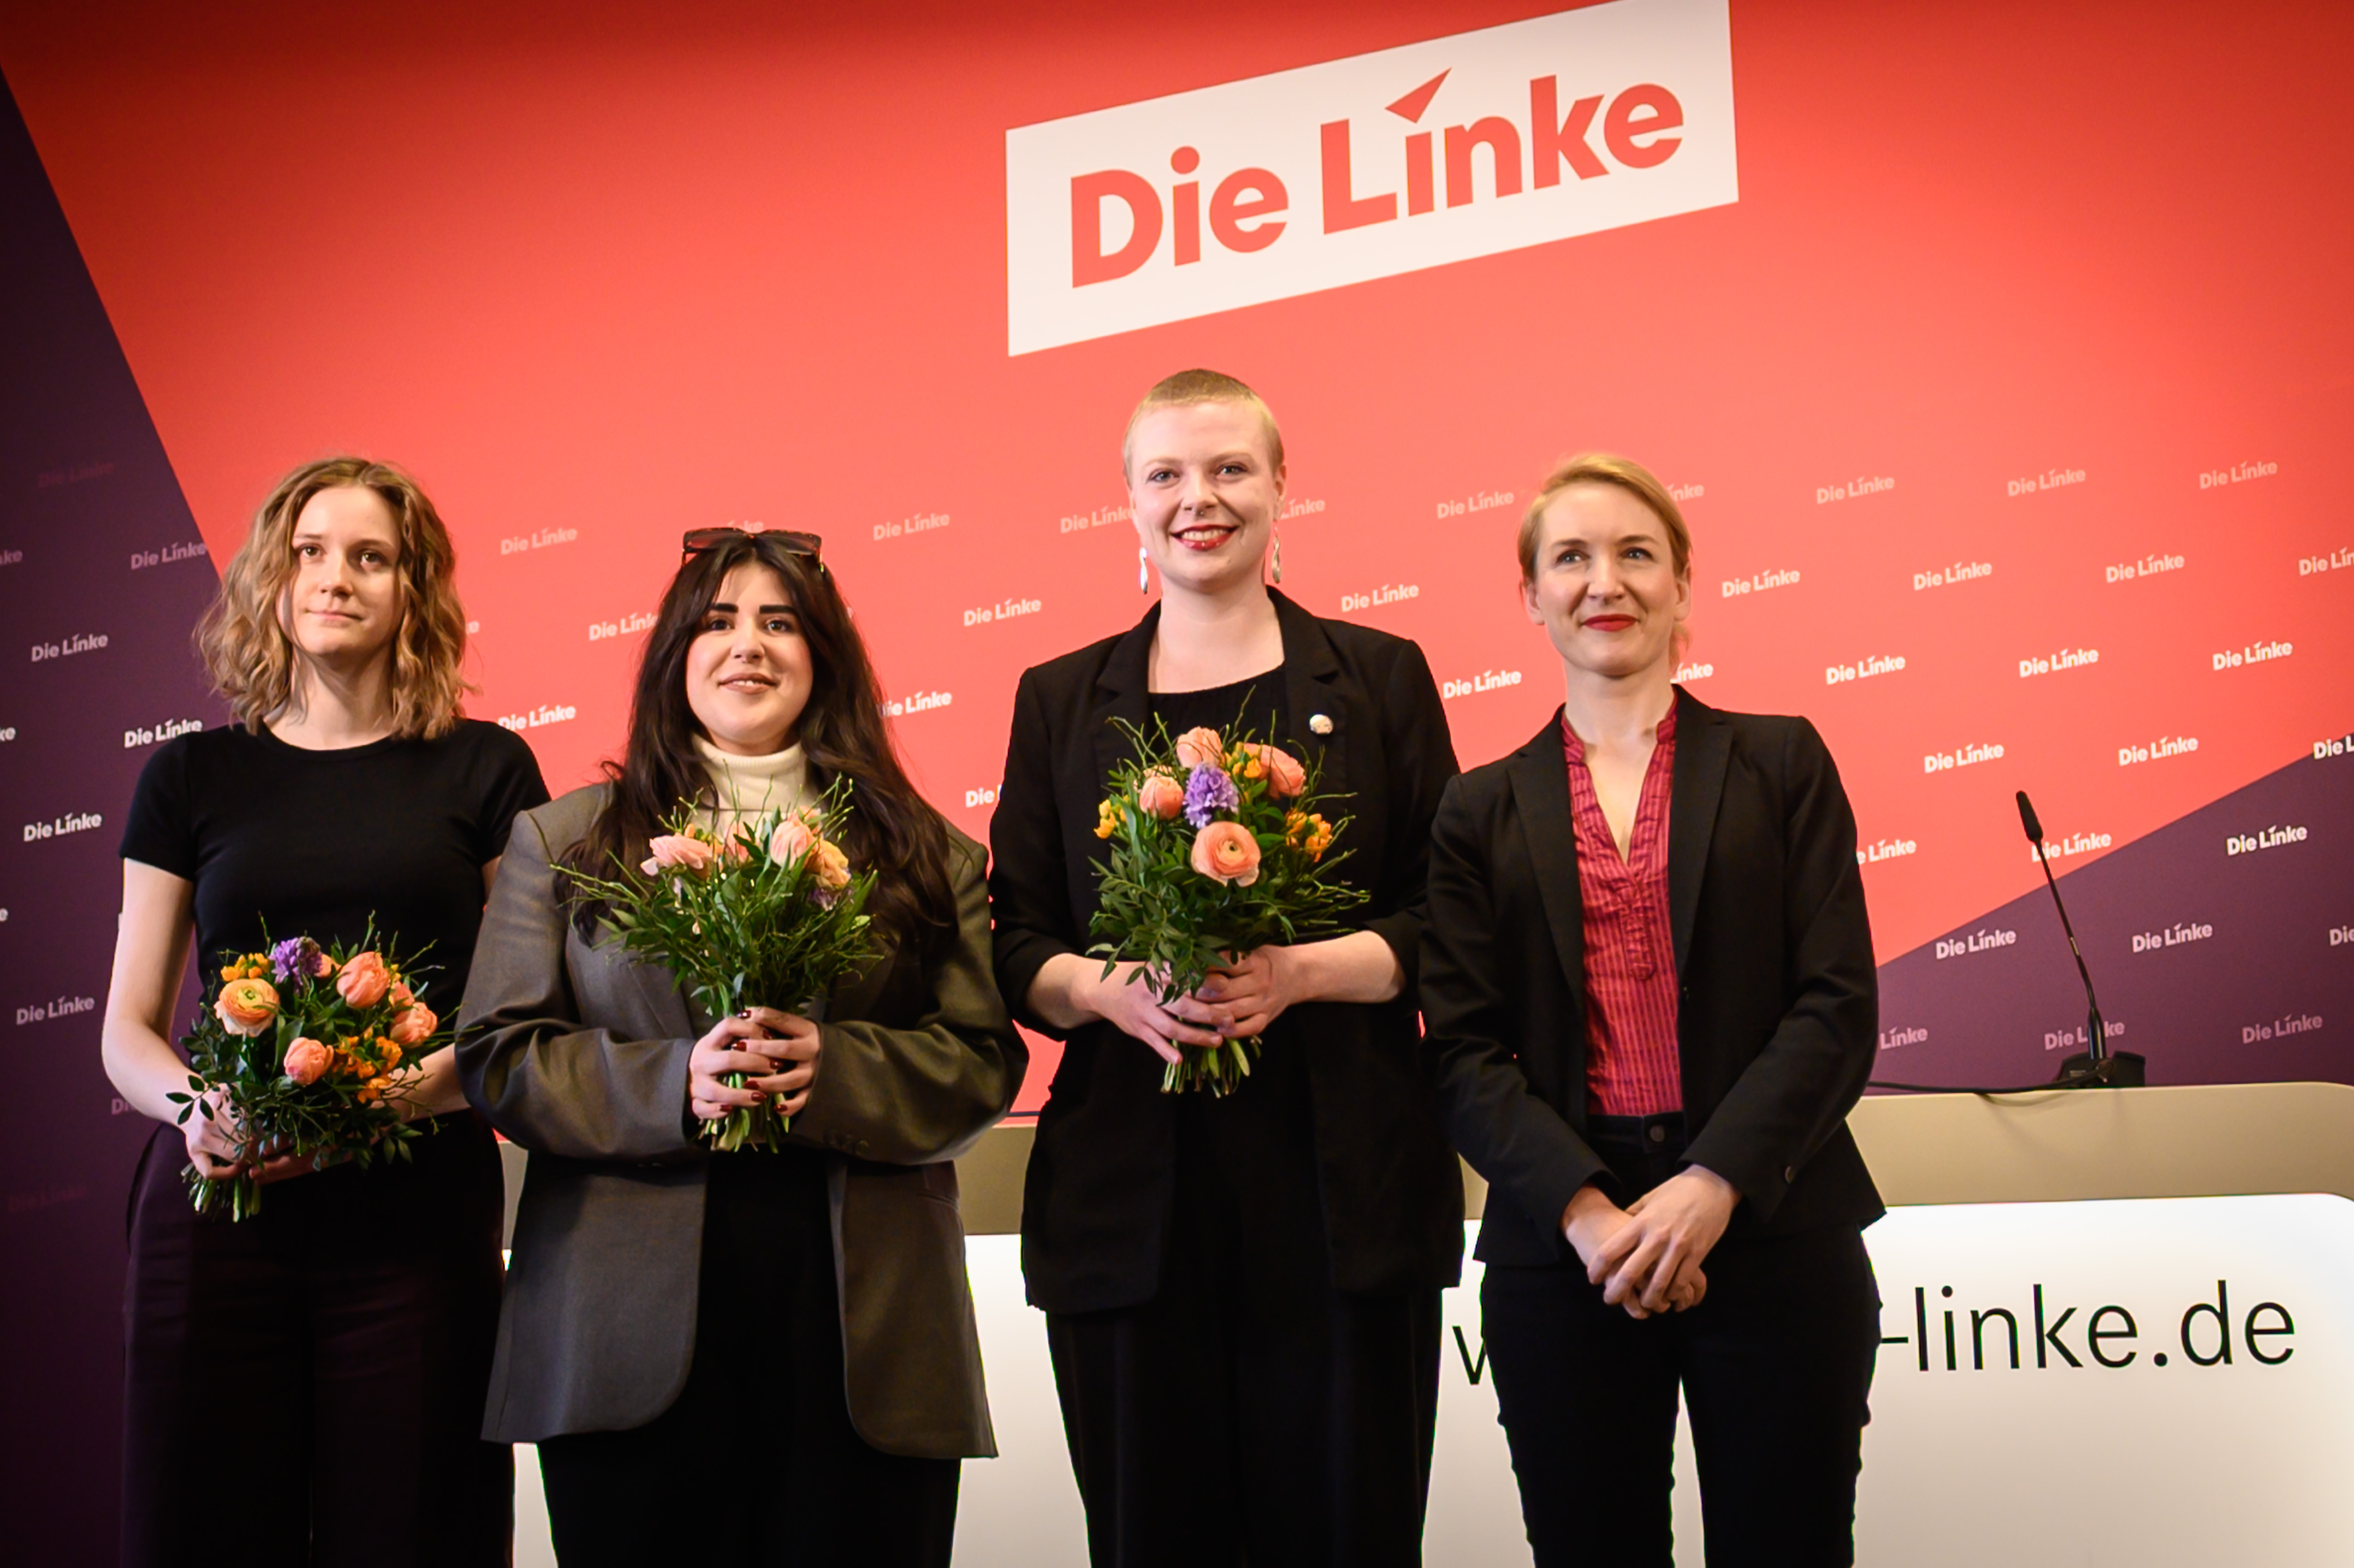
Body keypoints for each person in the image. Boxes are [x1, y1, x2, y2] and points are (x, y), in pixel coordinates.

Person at [457, 526, 1022, 1568]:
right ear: (675, 653)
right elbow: (499, 1055)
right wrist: (676, 1081)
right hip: (622, 1334)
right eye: (717, 623)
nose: (747, 646)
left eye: (779, 623)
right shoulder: (566, 842)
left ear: (824, 657)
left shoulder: (925, 851)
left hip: (867, 1336)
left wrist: (836, 1068)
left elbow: (984, 1059)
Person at [989, 369, 1465, 1568]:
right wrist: (1101, 989)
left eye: (1227, 469)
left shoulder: (1379, 676)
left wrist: (1296, 974)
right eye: (1165, 475)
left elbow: (1447, 924)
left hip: (1340, 1196)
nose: (1197, 498)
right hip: (1130, 1213)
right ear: (1129, 503)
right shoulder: (1057, 700)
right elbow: (1015, 941)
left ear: (1279, 488)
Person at [1421, 454, 1885, 1566]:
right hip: (1564, 1255)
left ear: (1684, 581)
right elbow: (1465, 1056)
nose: (1604, 581)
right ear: (1529, 595)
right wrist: (1588, 1215)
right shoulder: (1475, 809)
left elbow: (1835, 1007)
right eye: (1569, 558)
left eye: (1636, 553)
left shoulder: (1781, 762)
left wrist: (1710, 1186)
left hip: (1771, 1228)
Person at [102, 456, 547, 1567]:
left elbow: (523, 1012)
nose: (334, 578)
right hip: (218, 1211)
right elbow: (126, 1028)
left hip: (414, 1217)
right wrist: (202, 1107)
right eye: (310, 552)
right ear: (274, 578)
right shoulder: (189, 778)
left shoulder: (487, 770)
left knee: (414, 1526)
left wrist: (377, 1107)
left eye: (369, 557)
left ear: (412, 590)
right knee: (200, 1526)